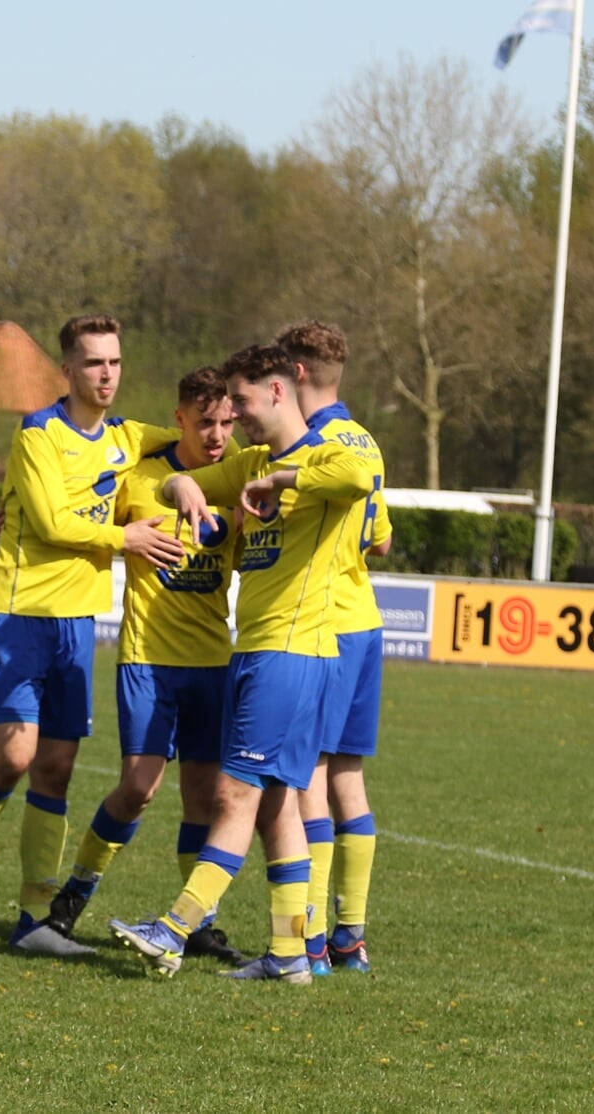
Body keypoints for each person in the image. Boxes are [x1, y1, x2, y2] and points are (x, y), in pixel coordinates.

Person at [109, 344, 375, 983]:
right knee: (278, 804)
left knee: (235, 795)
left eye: (245, 402)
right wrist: (183, 491)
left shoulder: (333, 451)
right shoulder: (252, 459)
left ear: (280, 391)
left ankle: (173, 931)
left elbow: (357, 482)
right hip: (267, 652)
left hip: (288, 653)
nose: (237, 417)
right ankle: (289, 955)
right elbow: (169, 478)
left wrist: (282, 481)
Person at [0, 314, 185, 957]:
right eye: (95, 362)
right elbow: (46, 522)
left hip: (77, 623)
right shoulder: (38, 433)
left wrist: (207, 471)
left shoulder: (129, 436)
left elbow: (194, 444)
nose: (107, 374)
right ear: (67, 371)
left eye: (116, 362)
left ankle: (34, 919)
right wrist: (124, 537)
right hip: (18, 614)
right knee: (14, 758)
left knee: (56, 767)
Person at [43, 366, 247, 966]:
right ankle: (72, 898)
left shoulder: (239, 480)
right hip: (149, 659)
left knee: (204, 800)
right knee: (138, 787)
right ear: (179, 417)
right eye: (205, 421)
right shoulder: (141, 477)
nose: (216, 434)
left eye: (226, 422)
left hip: (213, 659)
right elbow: (80, 515)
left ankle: (199, 924)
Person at [284, 320, 391, 976]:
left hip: (324, 623)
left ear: (295, 373)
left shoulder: (315, 444)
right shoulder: (365, 441)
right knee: (347, 776)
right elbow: (380, 541)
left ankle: (312, 939)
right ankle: (350, 936)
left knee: (310, 781)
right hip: (366, 620)